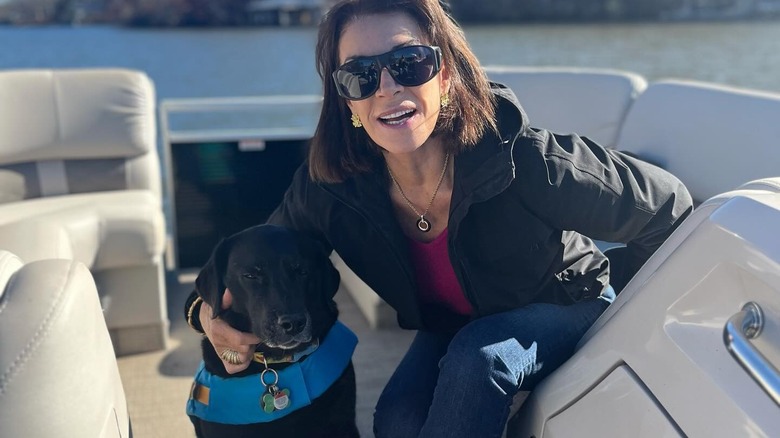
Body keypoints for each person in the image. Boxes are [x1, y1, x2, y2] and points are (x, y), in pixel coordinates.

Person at [183, 0, 693, 436]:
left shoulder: (525, 160)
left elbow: (668, 207)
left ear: (445, 74)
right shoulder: (332, 189)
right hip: (453, 322)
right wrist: (205, 315)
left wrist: (623, 314)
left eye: (408, 63)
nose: (386, 87)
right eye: (361, 75)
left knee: (479, 355)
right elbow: (256, 252)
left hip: (564, 301)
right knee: (396, 421)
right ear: (348, 102)